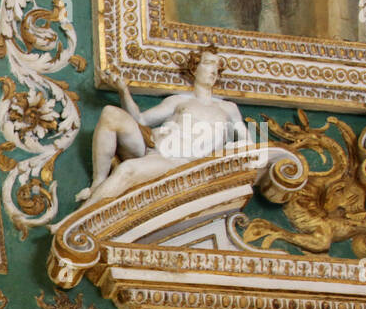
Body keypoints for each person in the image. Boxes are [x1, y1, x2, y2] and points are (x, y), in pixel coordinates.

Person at [79, 48, 249, 207]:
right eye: (208, 63)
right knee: (110, 113)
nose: (214, 69)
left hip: (184, 165)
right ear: (194, 69)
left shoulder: (228, 108)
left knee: (127, 169)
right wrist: (123, 91)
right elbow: (141, 119)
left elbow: (247, 143)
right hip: (158, 151)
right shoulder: (178, 101)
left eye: (217, 66)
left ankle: (79, 218)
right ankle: (98, 182)